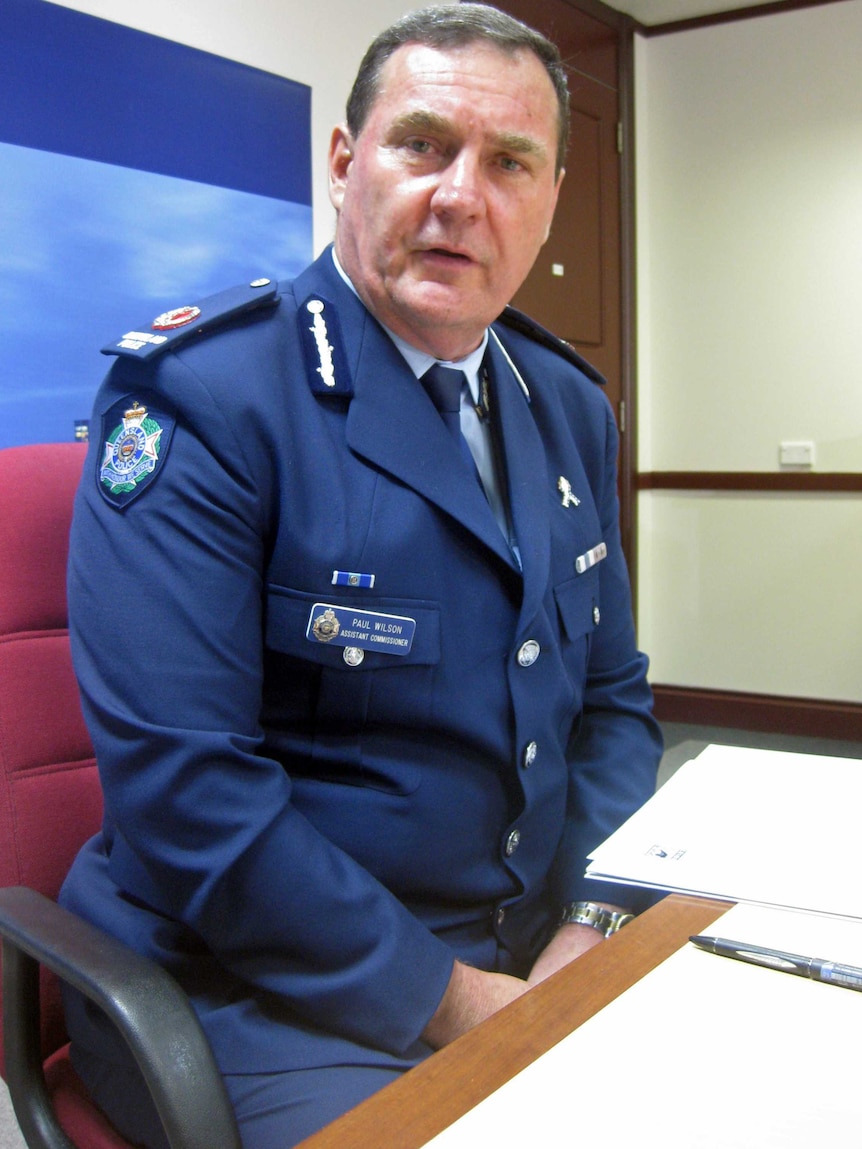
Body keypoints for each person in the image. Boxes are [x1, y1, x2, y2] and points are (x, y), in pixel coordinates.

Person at [60, 5, 663, 1147]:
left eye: (509, 163)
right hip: (257, 985)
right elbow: (191, 796)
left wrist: (585, 928)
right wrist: (465, 1006)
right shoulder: (205, 398)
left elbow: (612, 703)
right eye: (422, 145)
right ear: (346, 164)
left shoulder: (567, 407)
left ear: (548, 197)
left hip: (530, 943)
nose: (459, 195)